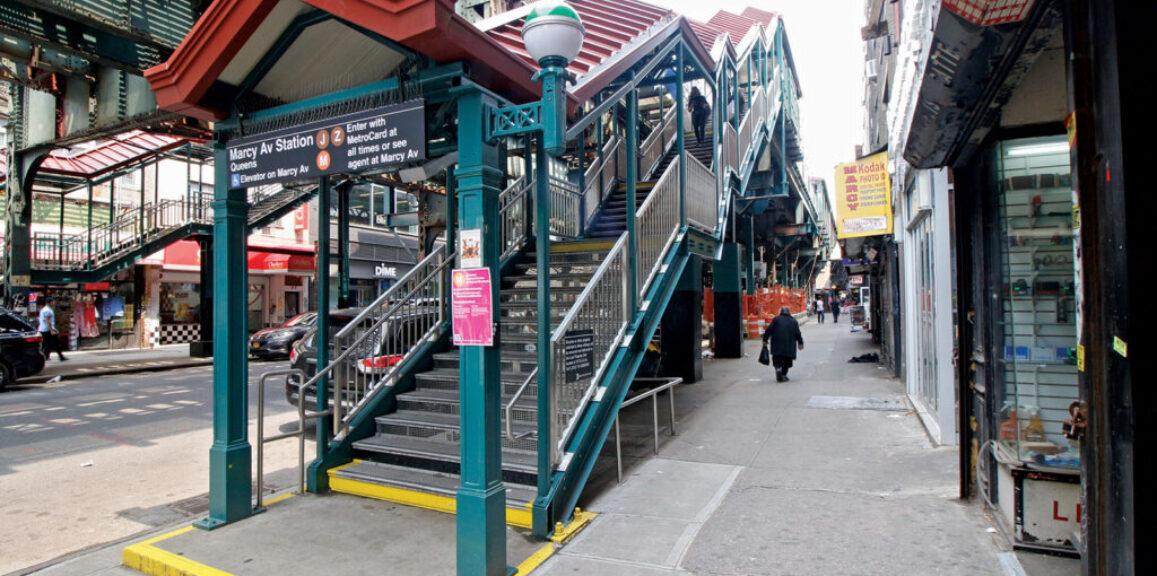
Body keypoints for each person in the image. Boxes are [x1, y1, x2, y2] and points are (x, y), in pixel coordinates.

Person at [762, 306, 803, 382]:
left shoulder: (776, 319)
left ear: (781, 312)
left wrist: (765, 340)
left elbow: (769, 329)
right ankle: (783, 374)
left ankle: (778, 369)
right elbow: (798, 333)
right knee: (787, 361)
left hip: (777, 344)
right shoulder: (793, 321)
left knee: (777, 359)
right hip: (789, 345)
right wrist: (800, 343)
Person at [38, 296, 68, 361]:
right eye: (52, 302)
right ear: (50, 302)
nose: (53, 303)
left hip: (45, 329)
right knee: (55, 343)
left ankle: (46, 356)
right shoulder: (47, 310)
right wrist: (51, 330)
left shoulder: (45, 309)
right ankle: (60, 356)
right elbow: (48, 321)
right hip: (47, 330)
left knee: (47, 344)